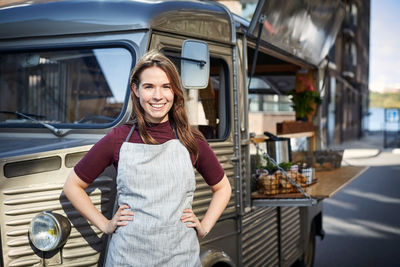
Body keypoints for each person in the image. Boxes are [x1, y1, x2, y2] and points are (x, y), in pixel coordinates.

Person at [63, 50, 231, 266]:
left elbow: (223, 188)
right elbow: (73, 185)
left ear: (175, 92)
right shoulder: (119, 138)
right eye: (149, 87)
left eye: (166, 87)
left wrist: (205, 226)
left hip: (180, 257)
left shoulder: (191, 139)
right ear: (136, 89)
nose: (158, 96)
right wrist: (105, 225)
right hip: (128, 257)